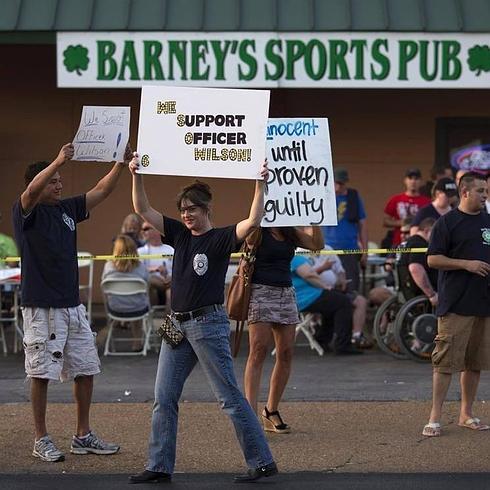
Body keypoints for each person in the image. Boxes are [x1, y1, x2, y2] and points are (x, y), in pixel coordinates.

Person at [128, 154, 277, 484]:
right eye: (183, 210)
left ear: (206, 209)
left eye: (192, 209)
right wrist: (136, 174)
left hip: (208, 323)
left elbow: (253, 219)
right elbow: (143, 209)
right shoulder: (179, 234)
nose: (186, 215)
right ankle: (159, 465)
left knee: (229, 397)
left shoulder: (222, 237)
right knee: (163, 397)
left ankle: (262, 461)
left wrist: (259, 182)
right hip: (175, 322)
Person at [12, 143, 128, 462]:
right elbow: (31, 191)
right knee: (40, 372)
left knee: (86, 367)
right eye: (53, 180)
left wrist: (120, 164)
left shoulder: (67, 210)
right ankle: (41, 438)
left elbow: (101, 190)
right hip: (41, 307)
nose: (59, 184)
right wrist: (58, 159)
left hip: (72, 306)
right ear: (37, 184)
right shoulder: (27, 211)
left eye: (61, 179)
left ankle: (83, 435)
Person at [422, 172, 490, 437]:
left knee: (475, 363)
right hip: (455, 304)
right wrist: (466, 264)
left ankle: (466, 414)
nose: (485, 195)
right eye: (481, 191)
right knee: (445, 362)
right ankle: (434, 417)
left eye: (486, 191)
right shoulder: (447, 223)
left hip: (484, 304)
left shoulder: (487, 221)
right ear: (465, 192)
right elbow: (432, 260)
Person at [243, 226, 324, 434]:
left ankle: (271, 410)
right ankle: (250, 416)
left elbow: (317, 245)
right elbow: (249, 234)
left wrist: (316, 220)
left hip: (286, 292)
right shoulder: (258, 230)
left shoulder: (290, 231)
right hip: (260, 291)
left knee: (286, 352)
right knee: (258, 350)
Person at [291, 255, 362, 355]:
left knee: (333, 302)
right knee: (343, 302)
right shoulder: (294, 258)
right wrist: (325, 286)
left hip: (296, 298)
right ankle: (343, 345)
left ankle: (322, 339)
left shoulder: (281, 257)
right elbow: (308, 275)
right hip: (305, 297)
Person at [312, 246, 370, 349]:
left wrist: (342, 282)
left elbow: (340, 271)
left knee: (360, 301)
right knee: (342, 303)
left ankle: (356, 337)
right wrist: (323, 268)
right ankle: (341, 342)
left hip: (334, 289)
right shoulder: (301, 252)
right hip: (315, 292)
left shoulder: (328, 249)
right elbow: (306, 276)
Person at [322, 168, 368, 292]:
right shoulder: (323, 195)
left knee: (351, 287)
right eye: (335, 183)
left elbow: (362, 224)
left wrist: (365, 251)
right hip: (326, 248)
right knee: (328, 285)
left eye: (340, 184)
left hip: (349, 248)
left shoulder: (353, 196)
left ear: (345, 183)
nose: (337, 187)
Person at [102, 234, 150, 352]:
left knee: (129, 300)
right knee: (137, 301)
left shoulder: (108, 266)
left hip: (114, 309)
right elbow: (147, 286)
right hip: (138, 308)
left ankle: (119, 328)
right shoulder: (141, 267)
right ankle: (137, 342)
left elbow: (104, 287)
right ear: (134, 249)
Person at [383, 168, 431, 246]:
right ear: (405, 180)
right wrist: (401, 222)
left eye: (416, 179)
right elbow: (385, 221)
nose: (413, 181)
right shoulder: (396, 199)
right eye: (410, 178)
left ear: (421, 181)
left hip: (420, 243)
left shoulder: (427, 202)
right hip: (398, 242)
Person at [399, 218, 438, 303]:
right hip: (421, 294)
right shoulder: (419, 244)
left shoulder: (411, 242)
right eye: (436, 233)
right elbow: (415, 269)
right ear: (427, 230)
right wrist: (431, 294)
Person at [137, 221, 173, 308]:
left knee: (171, 293)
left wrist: (171, 277)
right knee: (149, 280)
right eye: (142, 229)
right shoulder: (140, 251)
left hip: (170, 282)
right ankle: (151, 317)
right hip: (151, 283)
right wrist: (153, 269)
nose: (142, 232)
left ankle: (168, 320)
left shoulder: (170, 249)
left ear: (157, 230)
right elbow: (137, 270)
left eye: (146, 229)